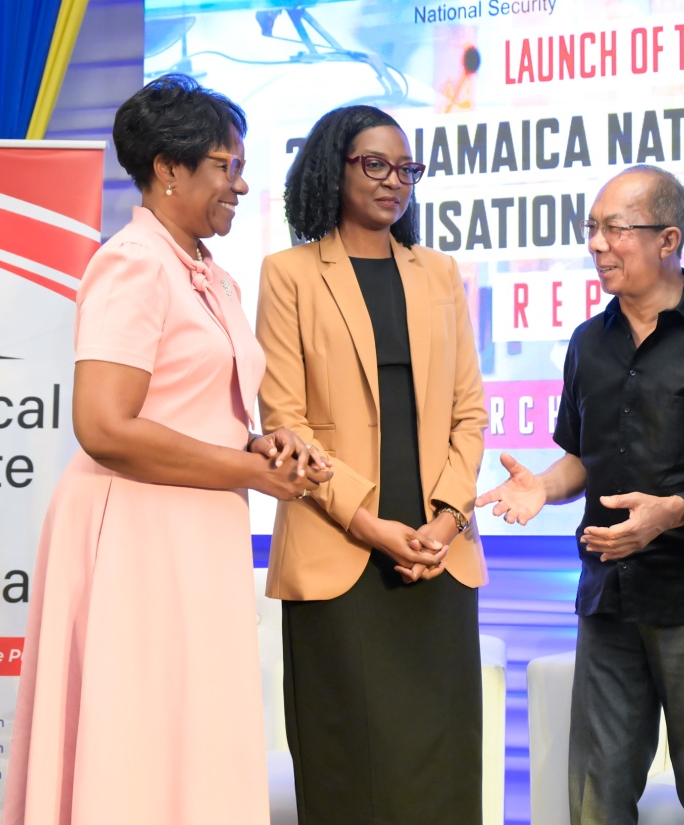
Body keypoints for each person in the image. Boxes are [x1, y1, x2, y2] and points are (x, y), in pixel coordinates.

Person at [3, 74, 330, 825]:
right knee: (139, 734)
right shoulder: (134, 263)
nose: (242, 185)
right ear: (167, 168)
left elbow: (195, 406)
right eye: (226, 166)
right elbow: (106, 426)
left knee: (190, 730)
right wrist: (248, 469)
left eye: (240, 167)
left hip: (194, 526)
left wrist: (261, 440)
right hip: (135, 531)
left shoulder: (212, 276)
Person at [476, 166, 684, 825]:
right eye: (592, 228)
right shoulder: (588, 342)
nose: (598, 244)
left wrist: (677, 510)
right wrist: (542, 486)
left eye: (615, 228)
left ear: (668, 239)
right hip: (608, 598)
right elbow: (582, 458)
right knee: (596, 798)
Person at [255, 105, 489, 825]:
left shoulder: (440, 273)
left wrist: (445, 519)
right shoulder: (289, 273)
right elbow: (284, 421)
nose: (396, 181)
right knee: (347, 766)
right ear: (335, 167)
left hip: (438, 556)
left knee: (441, 768)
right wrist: (373, 522)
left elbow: (468, 413)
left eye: (407, 168)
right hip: (340, 549)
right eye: (376, 164)